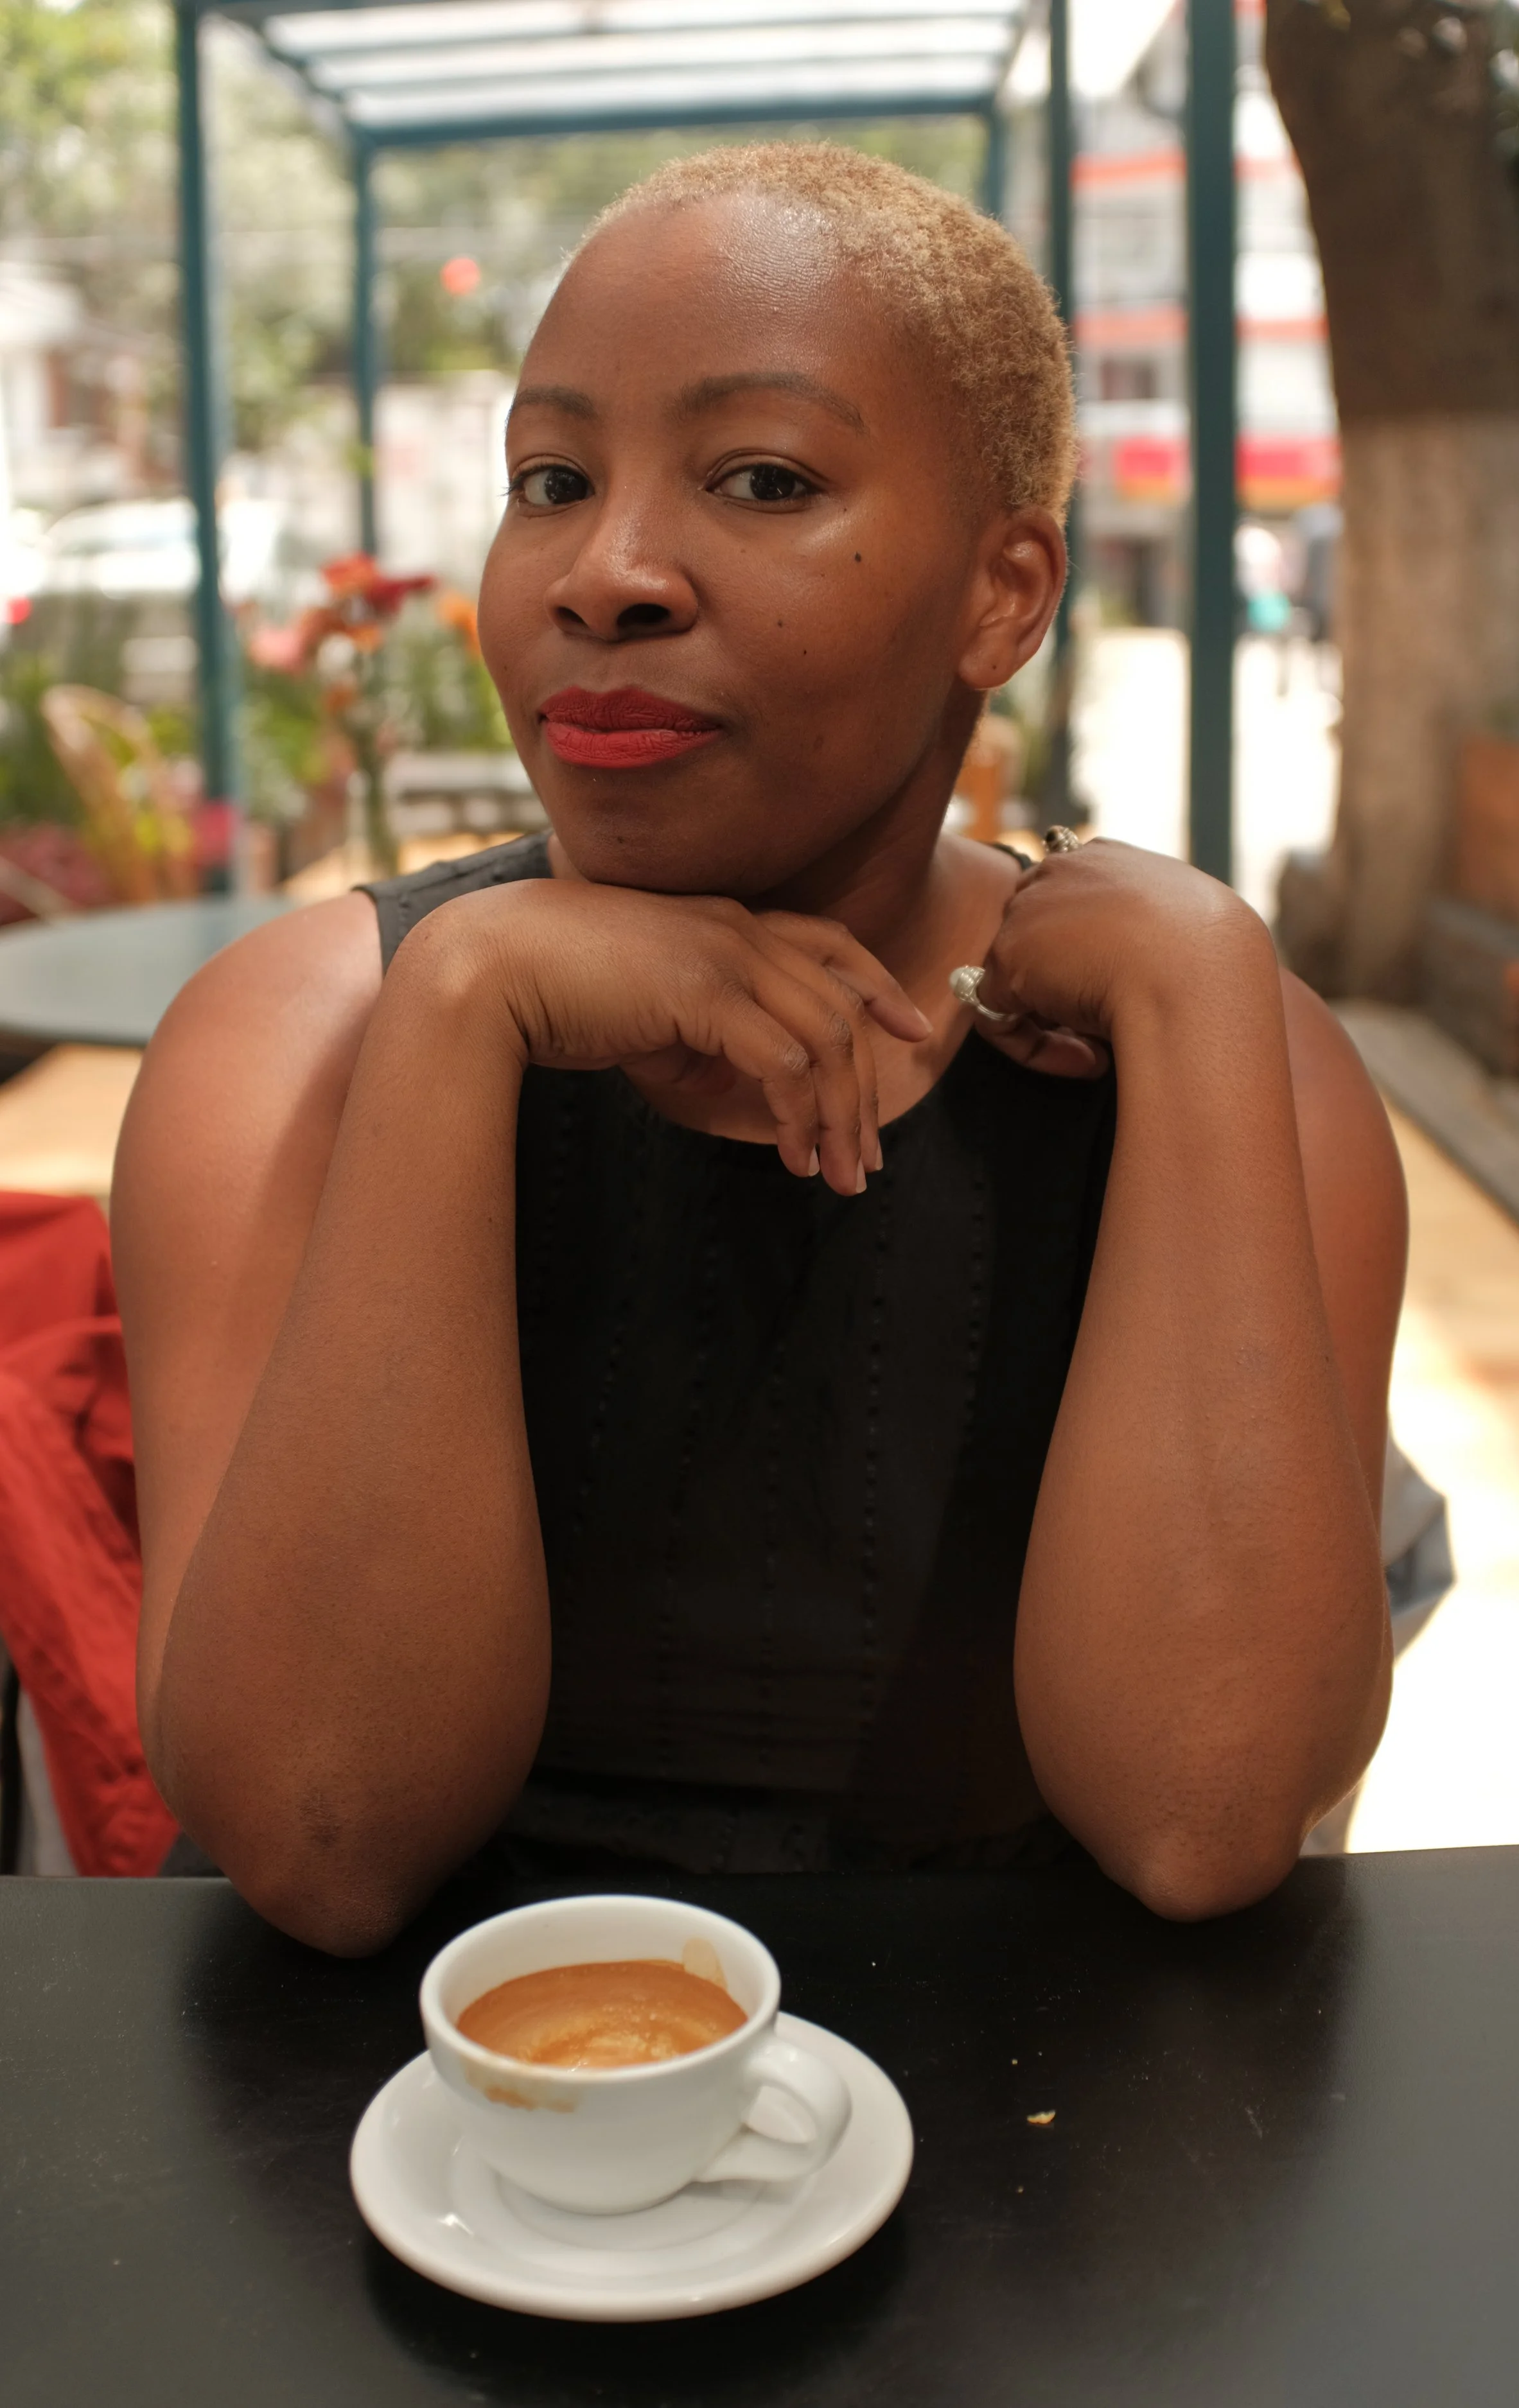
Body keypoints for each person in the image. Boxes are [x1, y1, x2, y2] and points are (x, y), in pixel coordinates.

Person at [114, 146, 1405, 1956]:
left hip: (1009, 2136)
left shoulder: (1218, 1048)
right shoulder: (296, 1041)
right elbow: (324, 1838)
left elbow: (1199, 1813)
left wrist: (1198, 997)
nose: (608, 572)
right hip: (408, 2124)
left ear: (1002, 595)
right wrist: (459, 1016)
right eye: (549, 480)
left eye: (762, 478)